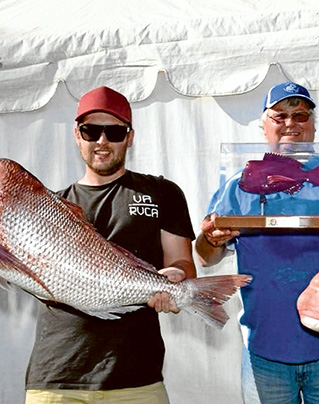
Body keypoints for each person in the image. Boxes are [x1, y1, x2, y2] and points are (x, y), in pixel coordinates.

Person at [195, 81, 319, 404]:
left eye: (300, 116)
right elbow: (205, 257)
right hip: (263, 353)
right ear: (264, 125)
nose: (290, 124)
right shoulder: (238, 184)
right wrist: (211, 238)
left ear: (314, 125)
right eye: (279, 116)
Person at [24, 86, 197, 404]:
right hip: (56, 379)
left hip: (137, 379)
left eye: (114, 132)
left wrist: (175, 276)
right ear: (77, 135)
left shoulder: (162, 193)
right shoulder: (52, 208)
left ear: (130, 137)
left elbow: (183, 264)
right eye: (91, 131)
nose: (102, 142)